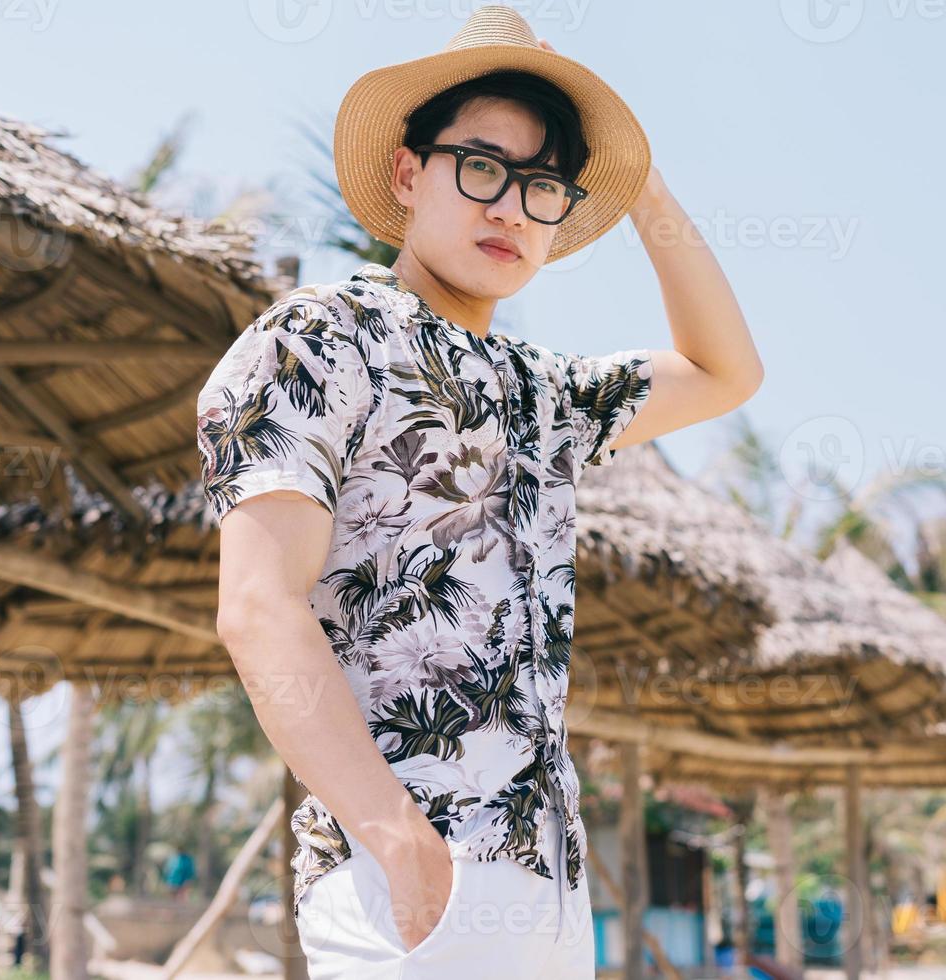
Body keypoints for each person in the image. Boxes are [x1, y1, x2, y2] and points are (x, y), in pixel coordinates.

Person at [197, 6, 762, 977]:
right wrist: (402, 842)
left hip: (547, 884)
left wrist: (642, 182)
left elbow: (727, 369)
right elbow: (255, 605)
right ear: (409, 173)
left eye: (543, 187)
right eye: (483, 167)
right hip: (405, 870)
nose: (510, 208)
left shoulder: (542, 390)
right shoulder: (323, 334)